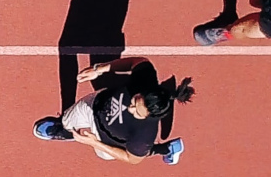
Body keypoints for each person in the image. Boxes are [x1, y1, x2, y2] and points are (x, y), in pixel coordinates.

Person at [35, 59, 193, 164]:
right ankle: (66, 131)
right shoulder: (145, 79)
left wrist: (95, 143)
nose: (128, 108)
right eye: (134, 101)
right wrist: (99, 69)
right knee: (66, 121)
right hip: (94, 105)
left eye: (136, 112)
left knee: (107, 154)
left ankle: (164, 149)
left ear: (150, 117)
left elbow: (132, 159)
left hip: (107, 140)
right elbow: (137, 62)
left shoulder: (145, 133)